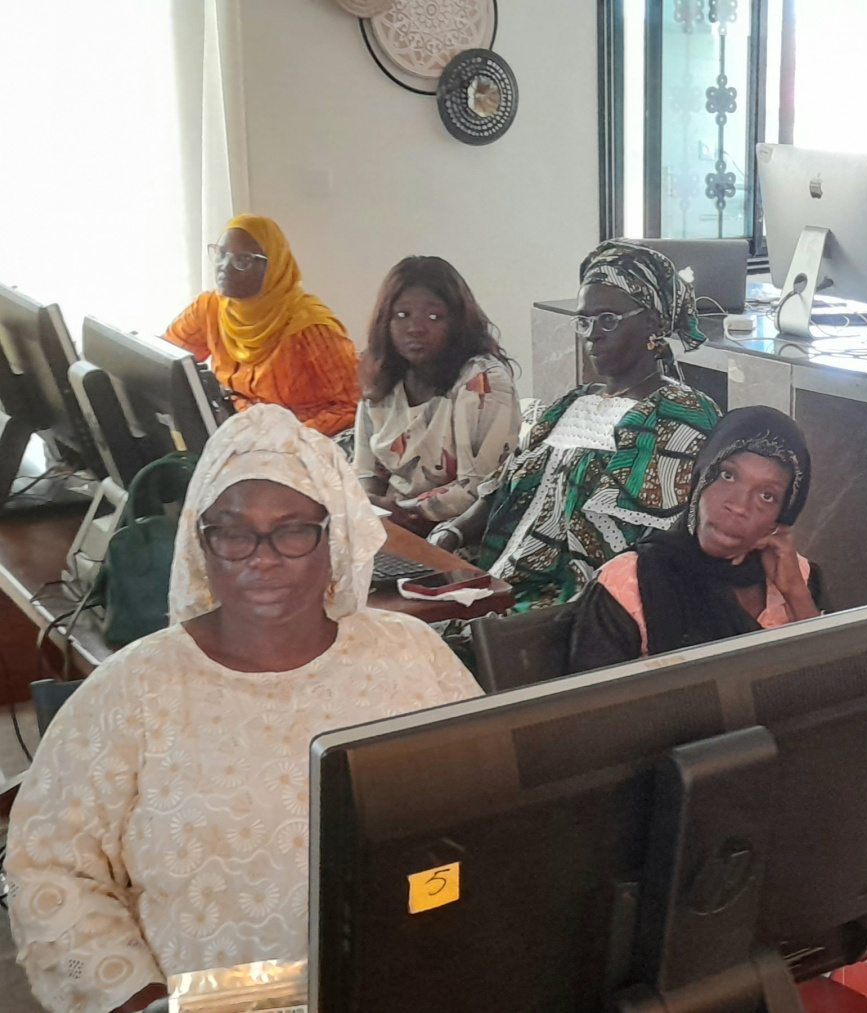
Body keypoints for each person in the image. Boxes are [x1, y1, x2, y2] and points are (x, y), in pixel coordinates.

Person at [3, 405, 480, 1013]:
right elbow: (48, 871)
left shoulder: (412, 657)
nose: (262, 557)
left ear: (334, 537)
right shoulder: (132, 689)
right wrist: (134, 998)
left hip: (399, 979)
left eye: (292, 530)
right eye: (232, 532)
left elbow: (493, 810)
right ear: (202, 544)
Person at [430, 241, 720, 609]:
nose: (592, 333)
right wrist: (449, 534)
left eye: (608, 320)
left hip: (576, 605)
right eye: (584, 321)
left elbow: (635, 548)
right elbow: (499, 490)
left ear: (653, 322)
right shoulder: (572, 403)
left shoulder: (678, 411)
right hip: (494, 579)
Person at [567, 406, 822, 668]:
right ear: (701, 476)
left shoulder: (797, 575)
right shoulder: (630, 582)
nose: (738, 506)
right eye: (727, 475)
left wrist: (796, 595)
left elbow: (831, 678)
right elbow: (594, 693)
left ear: (782, 517)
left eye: (766, 496)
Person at [354, 256, 520, 535]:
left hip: (460, 532)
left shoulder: (482, 381)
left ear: (457, 322)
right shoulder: (382, 378)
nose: (415, 328)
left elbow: (477, 489)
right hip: (389, 523)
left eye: (434, 317)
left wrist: (400, 511)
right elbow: (365, 473)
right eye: (402, 315)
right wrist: (372, 505)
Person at [164, 214, 361, 435]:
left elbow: (354, 404)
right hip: (239, 430)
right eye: (221, 254)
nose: (225, 267)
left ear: (272, 266)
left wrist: (286, 438)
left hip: (300, 438)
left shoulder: (310, 327)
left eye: (243, 260)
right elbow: (166, 363)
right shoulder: (209, 308)